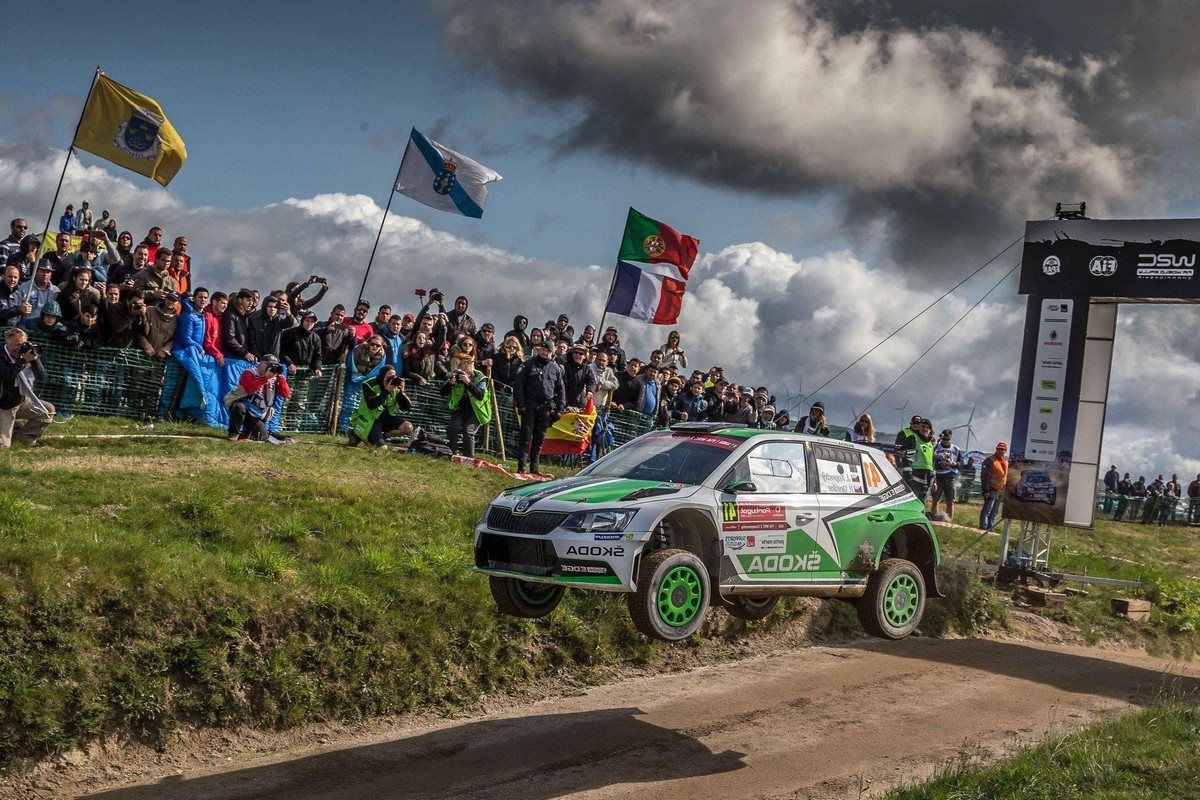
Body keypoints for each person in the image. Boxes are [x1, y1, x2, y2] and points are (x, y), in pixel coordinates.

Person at [513, 340, 566, 475]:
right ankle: (521, 467)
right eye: (542, 349)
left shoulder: (556, 369)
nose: (544, 353)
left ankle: (534, 469)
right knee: (526, 436)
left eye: (548, 351)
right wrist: (521, 404)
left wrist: (560, 408)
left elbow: (561, 390)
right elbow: (518, 385)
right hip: (529, 404)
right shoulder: (528, 365)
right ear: (538, 350)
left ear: (552, 353)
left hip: (546, 407)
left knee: (539, 438)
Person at [0, 328, 54, 447]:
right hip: (4, 406)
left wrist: (35, 360)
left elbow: (42, 376)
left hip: (21, 400)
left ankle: (23, 437)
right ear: (7, 342)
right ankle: (10, 428)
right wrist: (23, 361)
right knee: (3, 446)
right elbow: (7, 375)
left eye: (23, 344)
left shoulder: (25, 354)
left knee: (48, 410)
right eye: (17, 344)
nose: (20, 348)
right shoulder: (2, 355)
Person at [224, 354, 291, 441]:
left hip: (257, 412)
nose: (271, 368)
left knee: (261, 437)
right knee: (239, 407)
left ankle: (250, 433)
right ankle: (233, 433)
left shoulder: (275, 379)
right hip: (243, 405)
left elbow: (286, 394)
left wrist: (280, 377)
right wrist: (264, 378)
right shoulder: (250, 372)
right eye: (269, 365)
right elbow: (249, 389)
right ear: (262, 364)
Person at [349, 366, 414, 448]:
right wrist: (386, 391)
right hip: (370, 420)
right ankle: (356, 434)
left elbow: (405, 408)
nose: (390, 380)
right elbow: (371, 405)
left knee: (408, 427)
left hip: (385, 418)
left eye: (393, 377)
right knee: (383, 449)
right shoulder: (369, 384)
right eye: (388, 378)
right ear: (382, 376)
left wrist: (402, 392)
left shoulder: (395, 385)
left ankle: (381, 438)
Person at [440, 361, 491, 457]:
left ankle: (469, 458)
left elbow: (480, 395)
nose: (462, 374)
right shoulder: (455, 375)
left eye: (465, 372)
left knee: (468, 431)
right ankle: (453, 452)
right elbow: (442, 392)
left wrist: (468, 382)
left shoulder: (480, 378)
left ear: (470, 371)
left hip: (477, 411)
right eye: (461, 371)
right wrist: (450, 383)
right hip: (460, 408)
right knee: (452, 427)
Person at [896, 414, 934, 503]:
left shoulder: (930, 443)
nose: (925, 429)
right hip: (914, 479)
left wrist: (933, 479)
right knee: (911, 504)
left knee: (922, 505)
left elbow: (932, 463)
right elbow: (908, 459)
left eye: (927, 427)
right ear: (919, 427)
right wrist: (908, 477)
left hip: (926, 480)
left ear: (930, 430)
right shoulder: (913, 438)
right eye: (923, 426)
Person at [280, 311, 323, 377]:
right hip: (289, 372)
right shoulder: (290, 333)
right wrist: (289, 363)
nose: (309, 323)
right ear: (302, 321)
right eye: (307, 320)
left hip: (306, 374)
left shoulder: (316, 338)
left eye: (312, 322)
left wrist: (317, 368)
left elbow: (317, 356)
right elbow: (282, 352)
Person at [930, 428, 961, 519]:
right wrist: (940, 464)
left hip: (950, 476)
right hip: (938, 476)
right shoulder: (936, 447)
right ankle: (934, 518)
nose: (946, 441)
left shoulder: (956, 449)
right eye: (944, 439)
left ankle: (949, 520)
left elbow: (961, 463)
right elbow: (931, 460)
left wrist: (954, 464)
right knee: (935, 500)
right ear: (942, 437)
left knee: (950, 501)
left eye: (948, 439)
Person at [979, 442, 1008, 531]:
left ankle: (990, 528)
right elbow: (984, 476)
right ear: (996, 449)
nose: (1000, 451)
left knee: (995, 511)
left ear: (1005, 451)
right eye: (999, 449)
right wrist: (986, 490)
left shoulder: (1006, 461)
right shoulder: (989, 460)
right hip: (991, 489)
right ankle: (983, 527)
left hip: (1001, 490)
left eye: (1002, 449)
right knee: (987, 509)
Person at [222, 289, 256, 362]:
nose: (251, 303)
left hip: (241, 358)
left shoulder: (244, 316)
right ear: (240, 300)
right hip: (232, 359)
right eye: (248, 300)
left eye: (252, 301)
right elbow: (230, 338)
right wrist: (244, 353)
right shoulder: (230, 315)